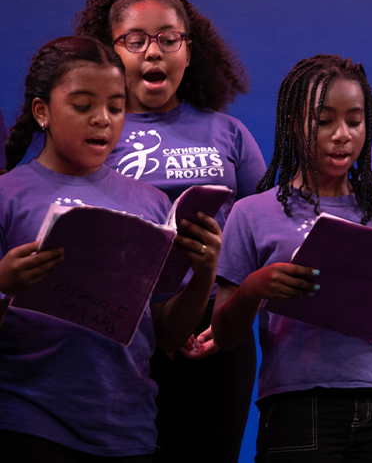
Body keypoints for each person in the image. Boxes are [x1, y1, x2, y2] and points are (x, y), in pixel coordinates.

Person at [212, 54, 372, 463]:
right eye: (324, 121)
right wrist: (253, 289)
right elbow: (224, 334)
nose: (342, 135)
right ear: (294, 124)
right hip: (297, 406)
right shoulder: (252, 213)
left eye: (355, 121)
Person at [0, 36, 219, 462]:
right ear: (42, 111)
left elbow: (168, 335)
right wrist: (4, 283)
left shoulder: (151, 202)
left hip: (128, 429)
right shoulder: (8, 195)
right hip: (29, 422)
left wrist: (204, 272)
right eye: (83, 106)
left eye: (116, 108)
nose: (102, 119)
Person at [74, 0, 264, 463]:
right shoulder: (91, 131)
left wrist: (229, 313)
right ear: (110, 51)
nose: (153, 52)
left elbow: (263, 230)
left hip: (213, 332)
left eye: (168, 39)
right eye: (135, 41)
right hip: (118, 329)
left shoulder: (229, 132)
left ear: (189, 49)